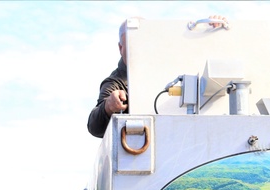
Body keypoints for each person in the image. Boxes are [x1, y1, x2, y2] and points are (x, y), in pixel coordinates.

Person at [87, 17, 227, 139]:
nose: (137, 49)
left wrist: (213, 34)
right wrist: (108, 106)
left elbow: (205, 66)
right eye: (131, 44)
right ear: (120, 47)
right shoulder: (116, 82)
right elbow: (94, 126)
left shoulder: (172, 63)